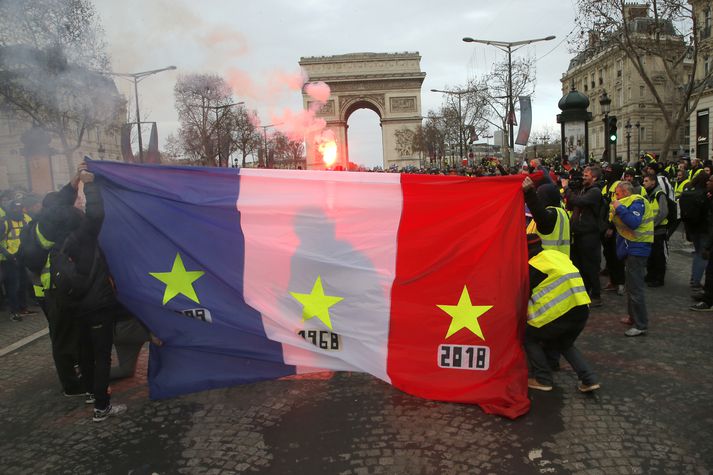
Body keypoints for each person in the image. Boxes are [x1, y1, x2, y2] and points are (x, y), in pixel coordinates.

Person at [50, 164, 127, 421]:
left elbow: (57, 207)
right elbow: (97, 214)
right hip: (97, 304)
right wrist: (90, 184)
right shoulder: (84, 235)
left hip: (74, 305)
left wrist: (73, 183)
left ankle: (92, 393)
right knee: (101, 355)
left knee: (84, 350)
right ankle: (102, 407)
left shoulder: (57, 237)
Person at [524, 234, 599, 392]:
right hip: (582, 309)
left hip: (559, 314)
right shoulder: (556, 255)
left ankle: (542, 378)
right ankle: (589, 379)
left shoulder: (531, 266)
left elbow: (522, 295)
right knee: (564, 343)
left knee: (528, 337)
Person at [611, 181, 654, 336]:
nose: (616, 197)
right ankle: (633, 317)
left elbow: (633, 222)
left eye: (617, 194)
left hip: (638, 248)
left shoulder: (637, 202)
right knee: (631, 285)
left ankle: (641, 324)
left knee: (636, 288)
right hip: (632, 248)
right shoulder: (632, 202)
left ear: (625, 193)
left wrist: (619, 207)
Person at [562, 165, 604, 307]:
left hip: (589, 235)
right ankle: (585, 293)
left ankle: (596, 295)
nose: (583, 178)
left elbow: (578, 202)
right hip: (579, 233)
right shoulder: (583, 190)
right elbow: (572, 205)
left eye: (586, 176)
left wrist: (567, 188)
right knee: (580, 265)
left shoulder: (595, 192)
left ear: (594, 177)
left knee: (591, 266)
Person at [1, 199, 35, 321]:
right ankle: (14, 311)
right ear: (10, 209)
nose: (18, 210)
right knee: (13, 287)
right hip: (8, 260)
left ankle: (23, 308)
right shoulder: (4, 222)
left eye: (20, 208)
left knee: (23, 284)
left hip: (22, 257)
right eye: (15, 208)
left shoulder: (26, 219)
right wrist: (7, 254)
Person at [522, 176, 569, 256]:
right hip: (559, 261)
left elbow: (541, 217)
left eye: (539, 195)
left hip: (547, 262)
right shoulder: (562, 212)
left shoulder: (553, 214)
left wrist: (530, 194)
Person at [642, 173, 669, 287]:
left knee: (658, 255)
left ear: (653, 182)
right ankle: (650, 275)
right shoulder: (649, 195)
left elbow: (663, 212)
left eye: (646, 181)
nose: (644, 183)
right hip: (651, 230)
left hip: (659, 230)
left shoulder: (659, 194)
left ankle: (659, 278)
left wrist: (653, 224)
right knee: (651, 254)